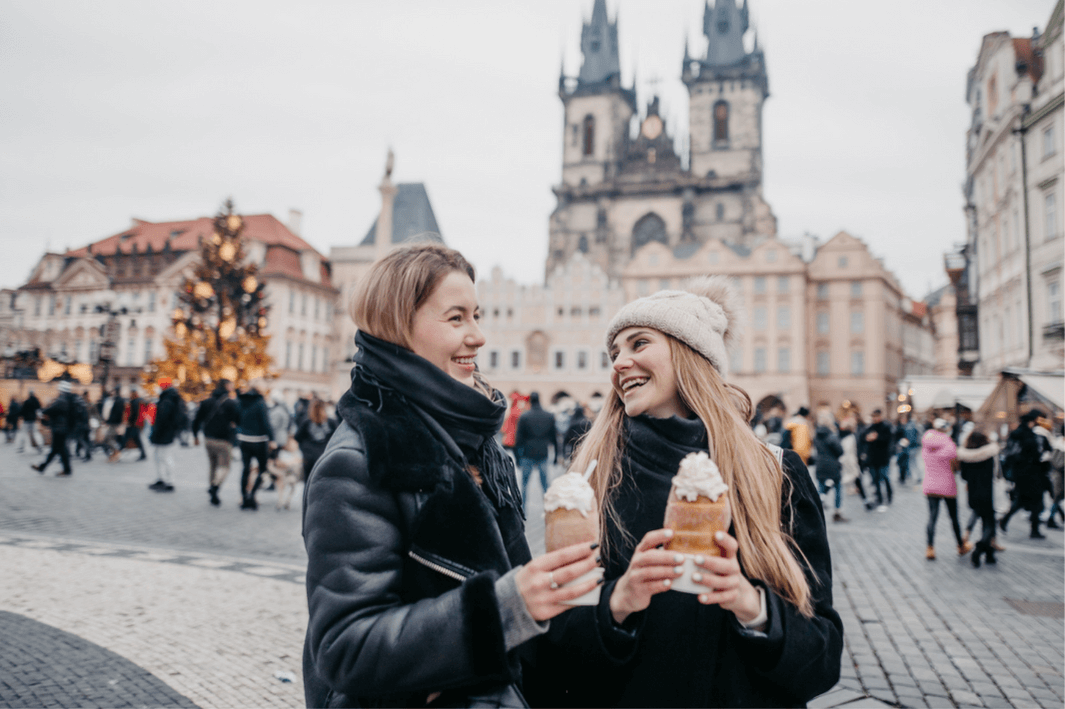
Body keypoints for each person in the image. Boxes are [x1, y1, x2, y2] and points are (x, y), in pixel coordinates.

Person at [303, 243, 597, 708]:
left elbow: (520, 610)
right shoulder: (361, 461)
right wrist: (503, 608)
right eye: (457, 318)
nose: (479, 336)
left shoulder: (479, 443)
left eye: (477, 316)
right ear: (399, 327)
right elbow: (346, 649)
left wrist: (614, 606)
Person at [529, 277, 842, 708]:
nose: (620, 362)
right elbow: (551, 655)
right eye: (615, 352)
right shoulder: (590, 479)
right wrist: (616, 604)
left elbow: (822, 659)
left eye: (639, 344)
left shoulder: (774, 474)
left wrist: (752, 607)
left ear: (690, 354)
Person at [999, 409, 1053, 539]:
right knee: (1035, 501)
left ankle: (1005, 520)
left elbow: (1009, 454)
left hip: (1020, 474)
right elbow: (1036, 453)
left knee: (1022, 500)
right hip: (1032, 473)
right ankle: (1034, 530)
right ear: (1030, 422)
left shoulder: (1016, 434)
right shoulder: (1029, 435)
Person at [921, 418, 971, 560]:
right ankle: (960, 546)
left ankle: (930, 548)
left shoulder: (926, 443)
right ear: (945, 429)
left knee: (932, 517)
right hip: (947, 485)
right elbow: (956, 466)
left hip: (930, 485)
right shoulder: (949, 444)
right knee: (954, 517)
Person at [192, 379, 241, 506]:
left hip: (208, 439)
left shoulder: (207, 402)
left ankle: (213, 493)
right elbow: (238, 420)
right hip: (224, 440)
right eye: (231, 385)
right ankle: (215, 487)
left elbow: (197, 420)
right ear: (226, 386)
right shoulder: (231, 403)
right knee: (225, 467)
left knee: (213, 466)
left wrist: (195, 436)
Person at [957, 429, 999, 567]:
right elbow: (995, 472)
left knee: (983, 519)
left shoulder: (966, 456)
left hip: (973, 494)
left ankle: (990, 554)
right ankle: (981, 547)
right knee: (989, 523)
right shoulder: (989, 454)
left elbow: (963, 476)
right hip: (987, 493)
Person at [515, 391, 557, 510]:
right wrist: (556, 456)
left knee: (524, 485)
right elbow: (554, 437)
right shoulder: (549, 416)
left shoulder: (524, 416)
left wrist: (518, 457)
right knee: (545, 485)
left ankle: (522, 510)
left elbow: (518, 440)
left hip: (527, 454)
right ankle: (549, 509)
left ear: (530, 401)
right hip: (543, 453)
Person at [236, 380, 272, 510]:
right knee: (262, 469)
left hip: (244, 439)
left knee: (245, 468)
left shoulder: (241, 400)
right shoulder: (260, 402)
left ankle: (244, 497)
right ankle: (252, 495)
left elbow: (236, 417)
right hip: (259, 440)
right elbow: (266, 422)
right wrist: (271, 439)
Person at [147, 378, 186, 492]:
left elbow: (162, 420)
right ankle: (162, 478)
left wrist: (156, 432)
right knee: (159, 456)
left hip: (164, 433)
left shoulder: (167, 400)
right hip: (166, 433)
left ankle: (169, 481)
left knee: (165, 456)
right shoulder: (170, 398)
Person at [32, 381, 77, 477]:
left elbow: (52, 409)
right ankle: (47, 467)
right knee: (59, 449)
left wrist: (41, 411)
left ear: (61, 389)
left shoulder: (62, 399)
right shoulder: (67, 399)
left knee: (57, 449)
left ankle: (44, 467)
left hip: (59, 428)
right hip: (62, 428)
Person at [814, 410, 847, 523]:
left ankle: (816, 513)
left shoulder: (816, 435)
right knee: (838, 489)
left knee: (821, 489)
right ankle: (837, 512)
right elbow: (840, 451)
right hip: (833, 466)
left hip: (820, 464)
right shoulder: (831, 435)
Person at [293, 397, 335, 482]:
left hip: (309, 457)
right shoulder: (331, 422)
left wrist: (305, 448)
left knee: (308, 481)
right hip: (325, 456)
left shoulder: (306, 422)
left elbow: (297, 437)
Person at [863, 409, 894, 511]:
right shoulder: (870, 427)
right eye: (873, 416)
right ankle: (879, 498)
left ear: (880, 416)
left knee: (884, 476)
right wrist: (868, 438)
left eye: (876, 416)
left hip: (883, 457)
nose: (874, 418)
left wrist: (877, 437)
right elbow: (864, 438)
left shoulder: (885, 427)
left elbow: (888, 439)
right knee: (875, 479)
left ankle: (889, 494)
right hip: (872, 458)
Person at [115, 389, 147, 461]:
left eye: (130, 394)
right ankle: (143, 454)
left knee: (125, 440)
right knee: (137, 440)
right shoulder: (139, 401)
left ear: (133, 394)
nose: (130, 395)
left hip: (133, 424)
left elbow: (133, 414)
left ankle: (117, 455)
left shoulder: (135, 402)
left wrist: (129, 421)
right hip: (136, 424)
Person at [896, 413, 921, 485]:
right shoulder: (911, 425)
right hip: (912, 447)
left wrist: (902, 445)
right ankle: (913, 476)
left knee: (912, 463)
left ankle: (916, 477)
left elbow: (909, 439)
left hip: (911, 448)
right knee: (912, 462)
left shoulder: (909, 426)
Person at [15, 390, 42, 454]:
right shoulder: (36, 401)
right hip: (33, 420)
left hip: (26, 420)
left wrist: (20, 416)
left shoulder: (26, 401)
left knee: (23, 433)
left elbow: (22, 410)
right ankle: (39, 446)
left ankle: (21, 447)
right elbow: (39, 410)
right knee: (35, 433)